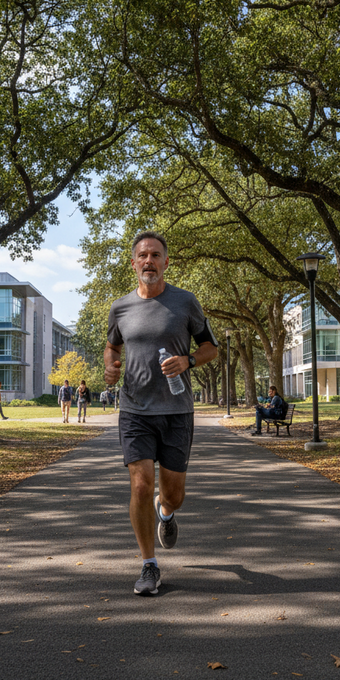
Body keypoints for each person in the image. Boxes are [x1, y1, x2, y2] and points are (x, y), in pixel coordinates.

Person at [105, 231, 218, 596]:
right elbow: (111, 346)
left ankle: (165, 513)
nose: (149, 261)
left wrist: (188, 360)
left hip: (177, 411)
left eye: (156, 255)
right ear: (134, 262)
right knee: (140, 484)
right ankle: (149, 565)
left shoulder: (185, 302)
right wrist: (111, 366)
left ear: (166, 262)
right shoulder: (120, 307)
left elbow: (210, 348)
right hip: (135, 409)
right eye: (143, 255)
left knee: (174, 495)